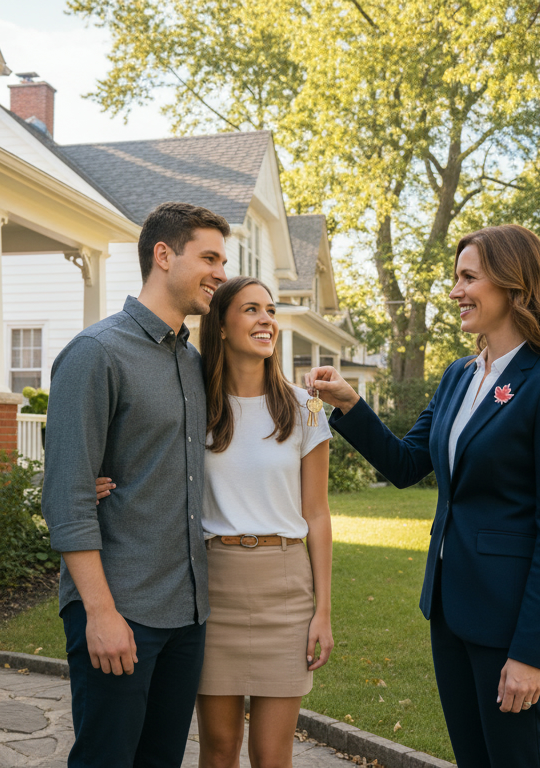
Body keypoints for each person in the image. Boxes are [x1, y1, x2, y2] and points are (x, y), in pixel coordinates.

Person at [306, 224, 540, 767]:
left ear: (513, 284)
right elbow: (407, 464)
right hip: (450, 609)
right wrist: (349, 405)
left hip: (512, 623)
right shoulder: (459, 376)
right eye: (454, 278)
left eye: (469, 277)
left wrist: (529, 653)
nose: (455, 291)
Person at [42, 201, 229, 767]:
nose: (220, 273)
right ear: (163, 255)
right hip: (120, 607)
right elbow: (67, 495)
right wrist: (100, 613)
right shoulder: (97, 353)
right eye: (210, 257)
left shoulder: (194, 362)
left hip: (186, 609)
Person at [192, 276, 334, 768]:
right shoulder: (195, 408)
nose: (266, 319)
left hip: (285, 586)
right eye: (251, 309)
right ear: (223, 327)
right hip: (214, 588)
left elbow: (317, 513)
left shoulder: (305, 408)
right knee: (219, 750)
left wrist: (323, 611)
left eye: (270, 310)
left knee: (273, 756)